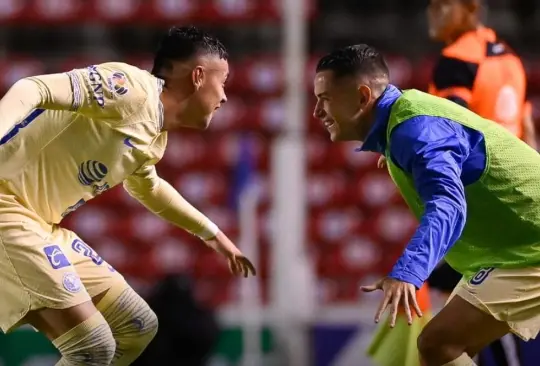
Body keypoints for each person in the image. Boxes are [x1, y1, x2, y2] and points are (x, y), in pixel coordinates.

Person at [0, 26, 256, 366]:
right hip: (7, 210)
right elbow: (33, 88)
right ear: (198, 76)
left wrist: (214, 235)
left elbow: (148, 187)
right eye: (222, 81)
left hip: (39, 225)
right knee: (93, 347)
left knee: (136, 327)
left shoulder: (152, 135)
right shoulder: (130, 89)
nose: (224, 96)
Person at [313, 44, 540, 366]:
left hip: (530, 249)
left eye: (325, 99)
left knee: (438, 345)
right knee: (439, 349)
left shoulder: (416, 132)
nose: (317, 112)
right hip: (513, 248)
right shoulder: (406, 123)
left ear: (363, 97)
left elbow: (448, 204)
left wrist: (408, 273)